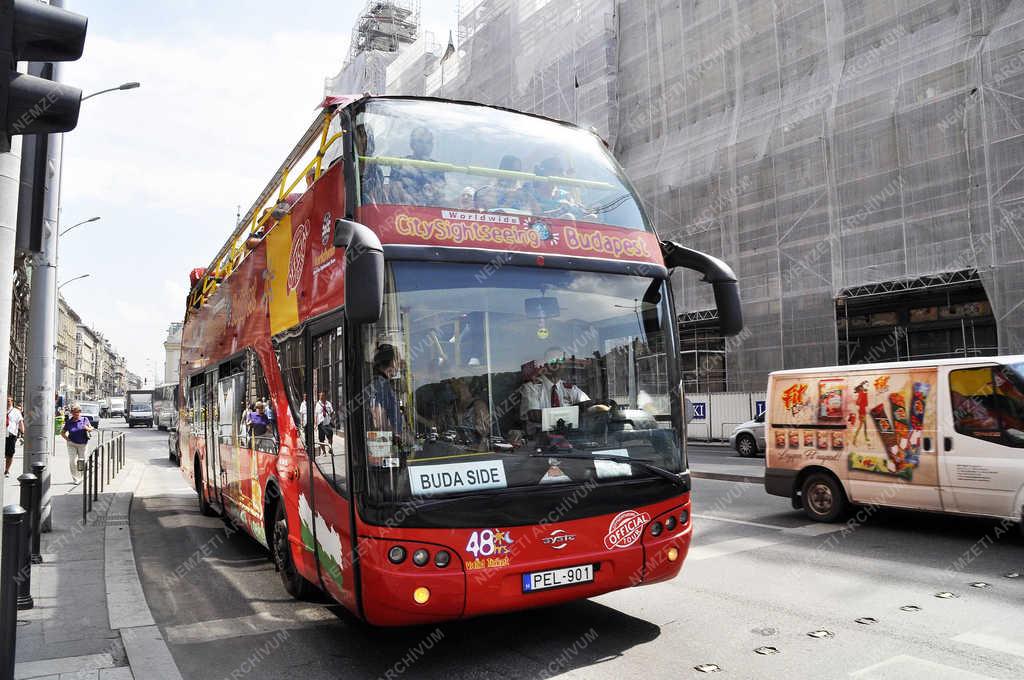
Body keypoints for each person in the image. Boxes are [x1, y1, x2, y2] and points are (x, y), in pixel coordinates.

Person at [519, 347, 594, 434]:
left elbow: (589, 406)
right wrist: (575, 413)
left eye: (561, 360)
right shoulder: (531, 387)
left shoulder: (570, 389)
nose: (557, 364)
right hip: (539, 439)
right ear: (546, 364)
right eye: (553, 360)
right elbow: (534, 415)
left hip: (570, 437)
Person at [388, 126, 446, 206]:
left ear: (432, 146)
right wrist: (406, 197)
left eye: (428, 142)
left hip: (430, 212)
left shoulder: (438, 167)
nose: (424, 145)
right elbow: (395, 187)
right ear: (412, 144)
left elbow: (440, 192)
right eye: (420, 141)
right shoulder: (400, 163)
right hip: (402, 209)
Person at [369, 344, 403, 438]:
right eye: (397, 360)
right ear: (391, 362)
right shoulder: (380, 385)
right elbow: (380, 421)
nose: (399, 365)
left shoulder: (383, 383)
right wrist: (399, 437)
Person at [61, 403, 93, 484]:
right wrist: (67, 439)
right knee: (73, 461)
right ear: (71, 413)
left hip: (83, 444)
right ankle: (76, 478)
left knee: (82, 461)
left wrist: (87, 428)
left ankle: (81, 476)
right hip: (72, 444)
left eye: (78, 412)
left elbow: (91, 428)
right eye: (74, 412)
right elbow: (62, 432)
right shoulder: (69, 422)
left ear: (80, 412)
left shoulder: (84, 419)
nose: (76, 413)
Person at [6, 397, 24, 477]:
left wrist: (23, 434)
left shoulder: (16, 412)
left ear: (12, 401)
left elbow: (20, 423)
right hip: (2, 435)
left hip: (11, 435)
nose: (7, 402)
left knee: (9, 454)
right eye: (6, 401)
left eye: (9, 401)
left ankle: (7, 470)